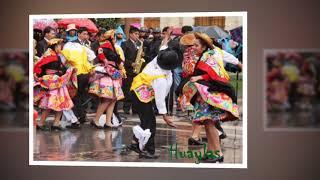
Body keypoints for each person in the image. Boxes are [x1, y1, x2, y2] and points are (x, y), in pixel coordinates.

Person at [177, 32, 240, 162]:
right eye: (192, 45)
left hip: (210, 96)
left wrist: (199, 77)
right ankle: (212, 152)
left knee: (210, 124)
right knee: (207, 124)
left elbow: (215, 75)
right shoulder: (204, 56)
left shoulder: (207, 57)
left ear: (204, 47)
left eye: (196, 45)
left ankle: (217, 154)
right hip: (206, 96)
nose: (193, 47)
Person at [126, 45, 181, 159]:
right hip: (140, 97)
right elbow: (160, 99)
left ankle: (134, 143)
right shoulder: (160, 79)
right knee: (150, 124)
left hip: (137, 91)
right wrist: (165, 116)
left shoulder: (156, 61)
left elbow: (163, 48)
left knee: (146, 121)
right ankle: (148, 151)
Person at [33, 38, 78, 131]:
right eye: (59, 46)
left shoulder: (56, 55)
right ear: (55, 46)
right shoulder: (50, 56)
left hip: (58, 82)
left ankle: (56, 124)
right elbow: (38, 67)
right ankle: (41, 123)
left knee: (61, 103)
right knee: (49, 105)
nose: (60, 47)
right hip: (52, 83)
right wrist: (42, 78)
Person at [88, 30, 125, 128]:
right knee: (107, 99)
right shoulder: (105, 46)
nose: (114, 38)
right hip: (107, 74)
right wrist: (106, 61)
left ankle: (108, 122)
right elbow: (101, 55)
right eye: (113, 37)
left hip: (112, 74)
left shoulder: (110, 46)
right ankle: (96, 119)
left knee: (113, 99)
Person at [61, 30, 96, 125]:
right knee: (77, 95)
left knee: (80, 95)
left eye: (87, 34)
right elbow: (92, 56)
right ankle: (79, 115)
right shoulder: (73, 44)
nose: (86, 35)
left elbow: (64, 60)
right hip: (78, 73)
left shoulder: (83, 44)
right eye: (84, 33)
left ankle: (79, 116)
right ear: (79, 34)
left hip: (81, 73)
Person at [121, 26, 140, 114]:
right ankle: (126, 108)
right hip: (128, 70)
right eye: (135, 34)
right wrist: (131, 63)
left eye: (138, 34)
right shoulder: (124, 44)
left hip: (137, 70)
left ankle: (135, 108)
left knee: (135, 90)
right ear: (130, 34)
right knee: (127, 89)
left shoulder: (139, 44)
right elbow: (122, 57)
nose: (137, 36)